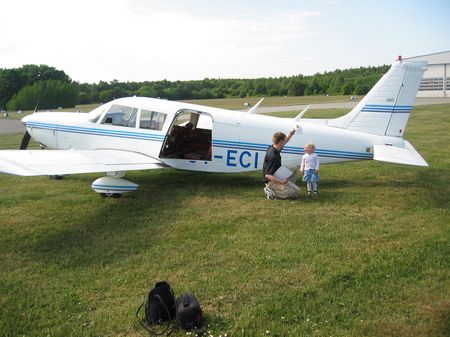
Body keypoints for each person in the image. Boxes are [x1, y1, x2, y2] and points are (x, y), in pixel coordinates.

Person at [262, 129, 300, 200]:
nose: (285, 141)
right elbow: (268, 175)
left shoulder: (274, 147)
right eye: (284, 140)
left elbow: (285, 141)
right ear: (280, 141)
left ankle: (286, 187)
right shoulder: (273, 156)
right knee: (296, 192)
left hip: (278, 173)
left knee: (293, 169)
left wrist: (291, 134)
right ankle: (272, 192)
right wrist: (281, 182)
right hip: (271, 181)